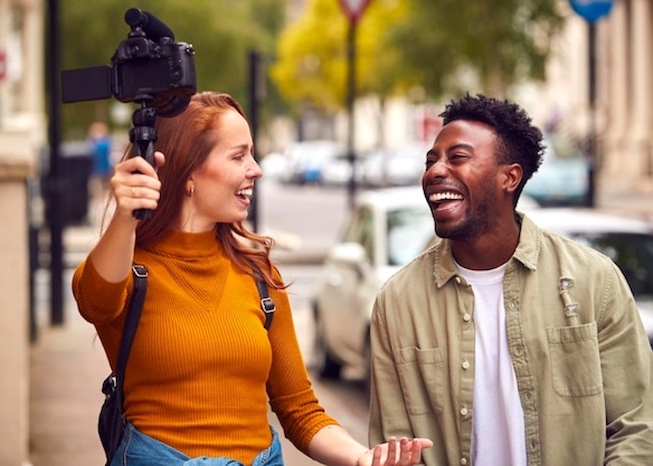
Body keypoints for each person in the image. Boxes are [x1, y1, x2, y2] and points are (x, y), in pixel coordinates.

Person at [72, 91, 432, 466]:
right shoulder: (130, 269)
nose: (256, 169)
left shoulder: (258, 273)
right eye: (239, 155)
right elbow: (95, 300)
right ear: (189, 170)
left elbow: (300, 410)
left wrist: (364, 459)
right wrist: (126, 216)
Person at [368, 93, 653, 465]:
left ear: (509, 177)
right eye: (431, 160)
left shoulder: (593, 281)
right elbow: (393, 445)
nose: (435, 171)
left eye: (458, 157)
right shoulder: (398, 301)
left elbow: (638, 426)